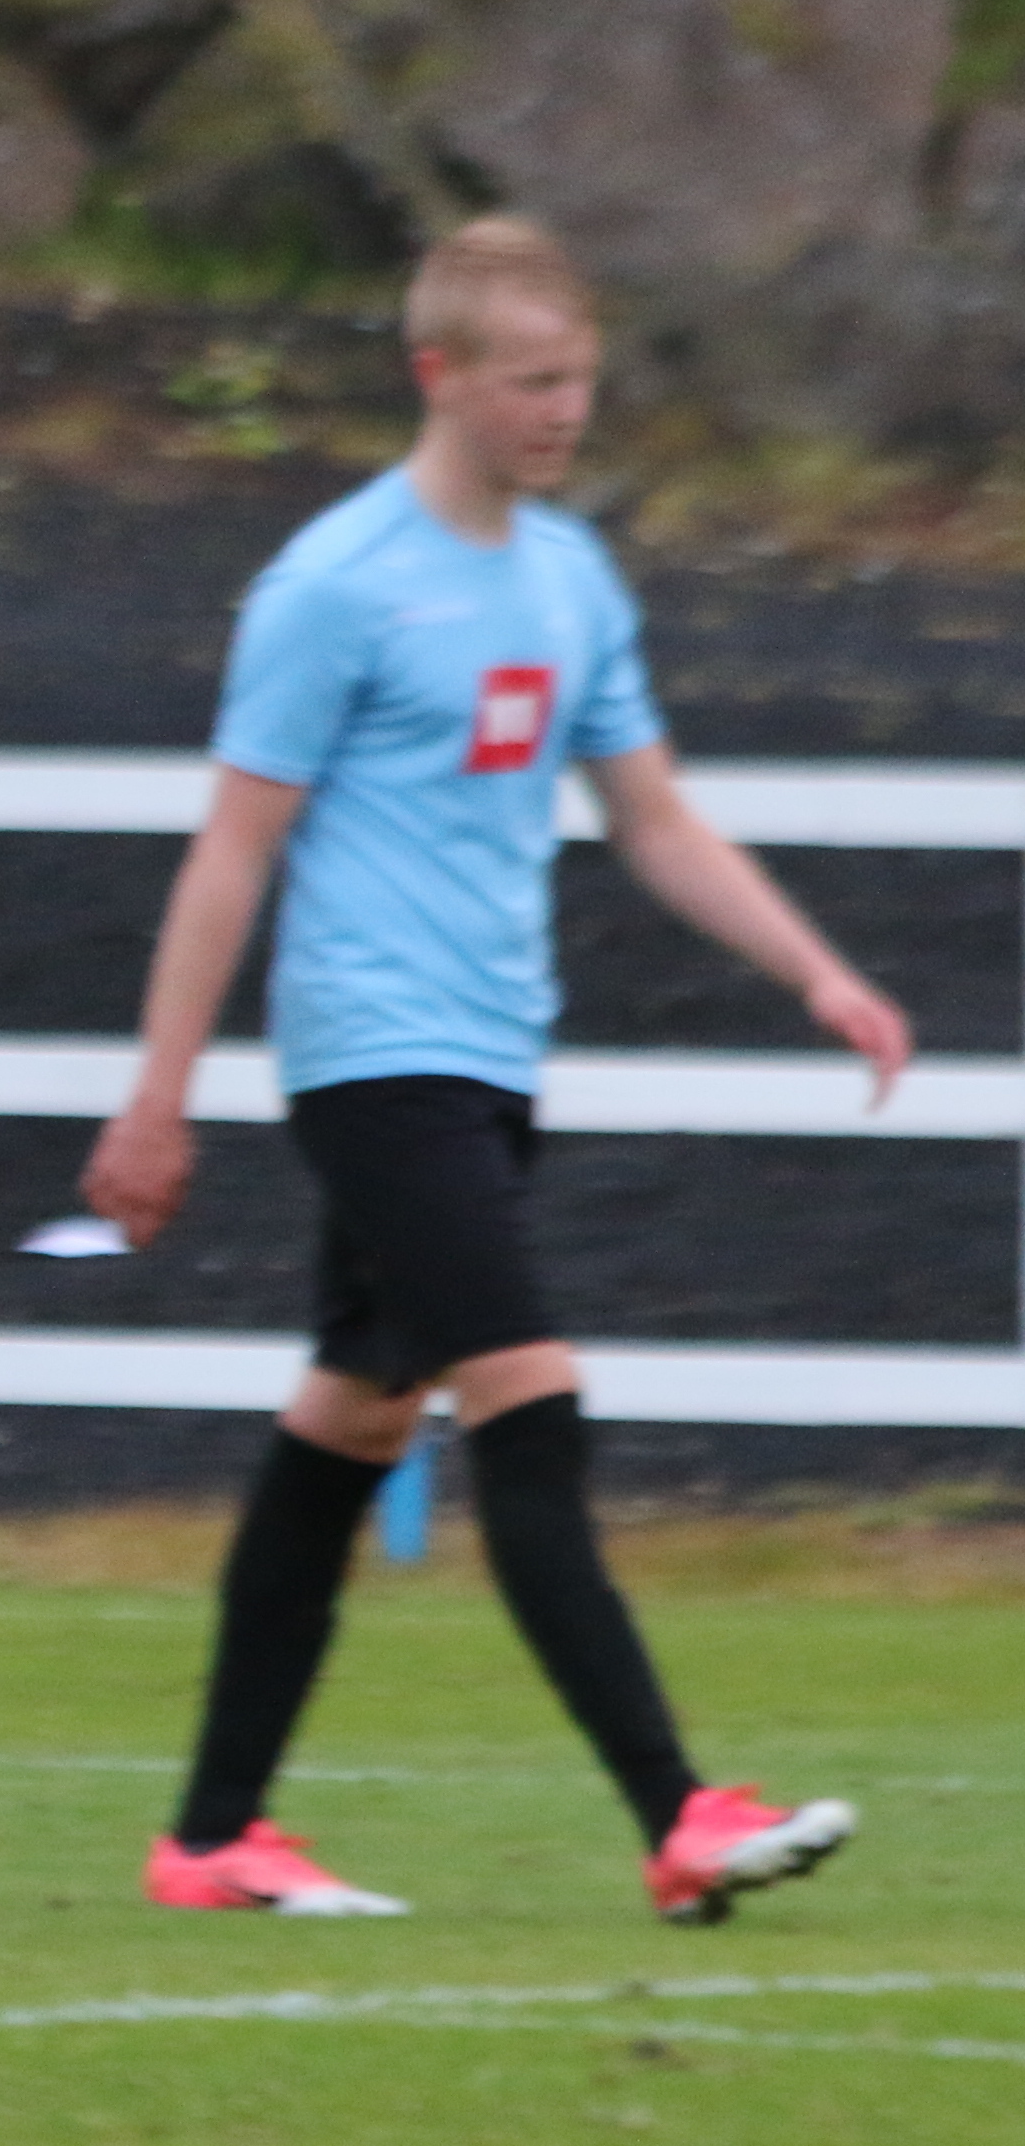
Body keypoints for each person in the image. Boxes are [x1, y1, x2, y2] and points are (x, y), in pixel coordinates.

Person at [82, 215, 904, 1928]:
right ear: (436, 375)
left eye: (578, 378)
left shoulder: (569, 577)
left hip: (488, 1058)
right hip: (371, 1055)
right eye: (530, 380)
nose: (562, 410)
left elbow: (652, 816)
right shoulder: (333, 584)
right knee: (530, 1396)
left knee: (354, 1414)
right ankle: (676, 1813)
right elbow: (231, 848)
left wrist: (815, 970)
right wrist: (154, 1098)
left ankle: (214, 1836)